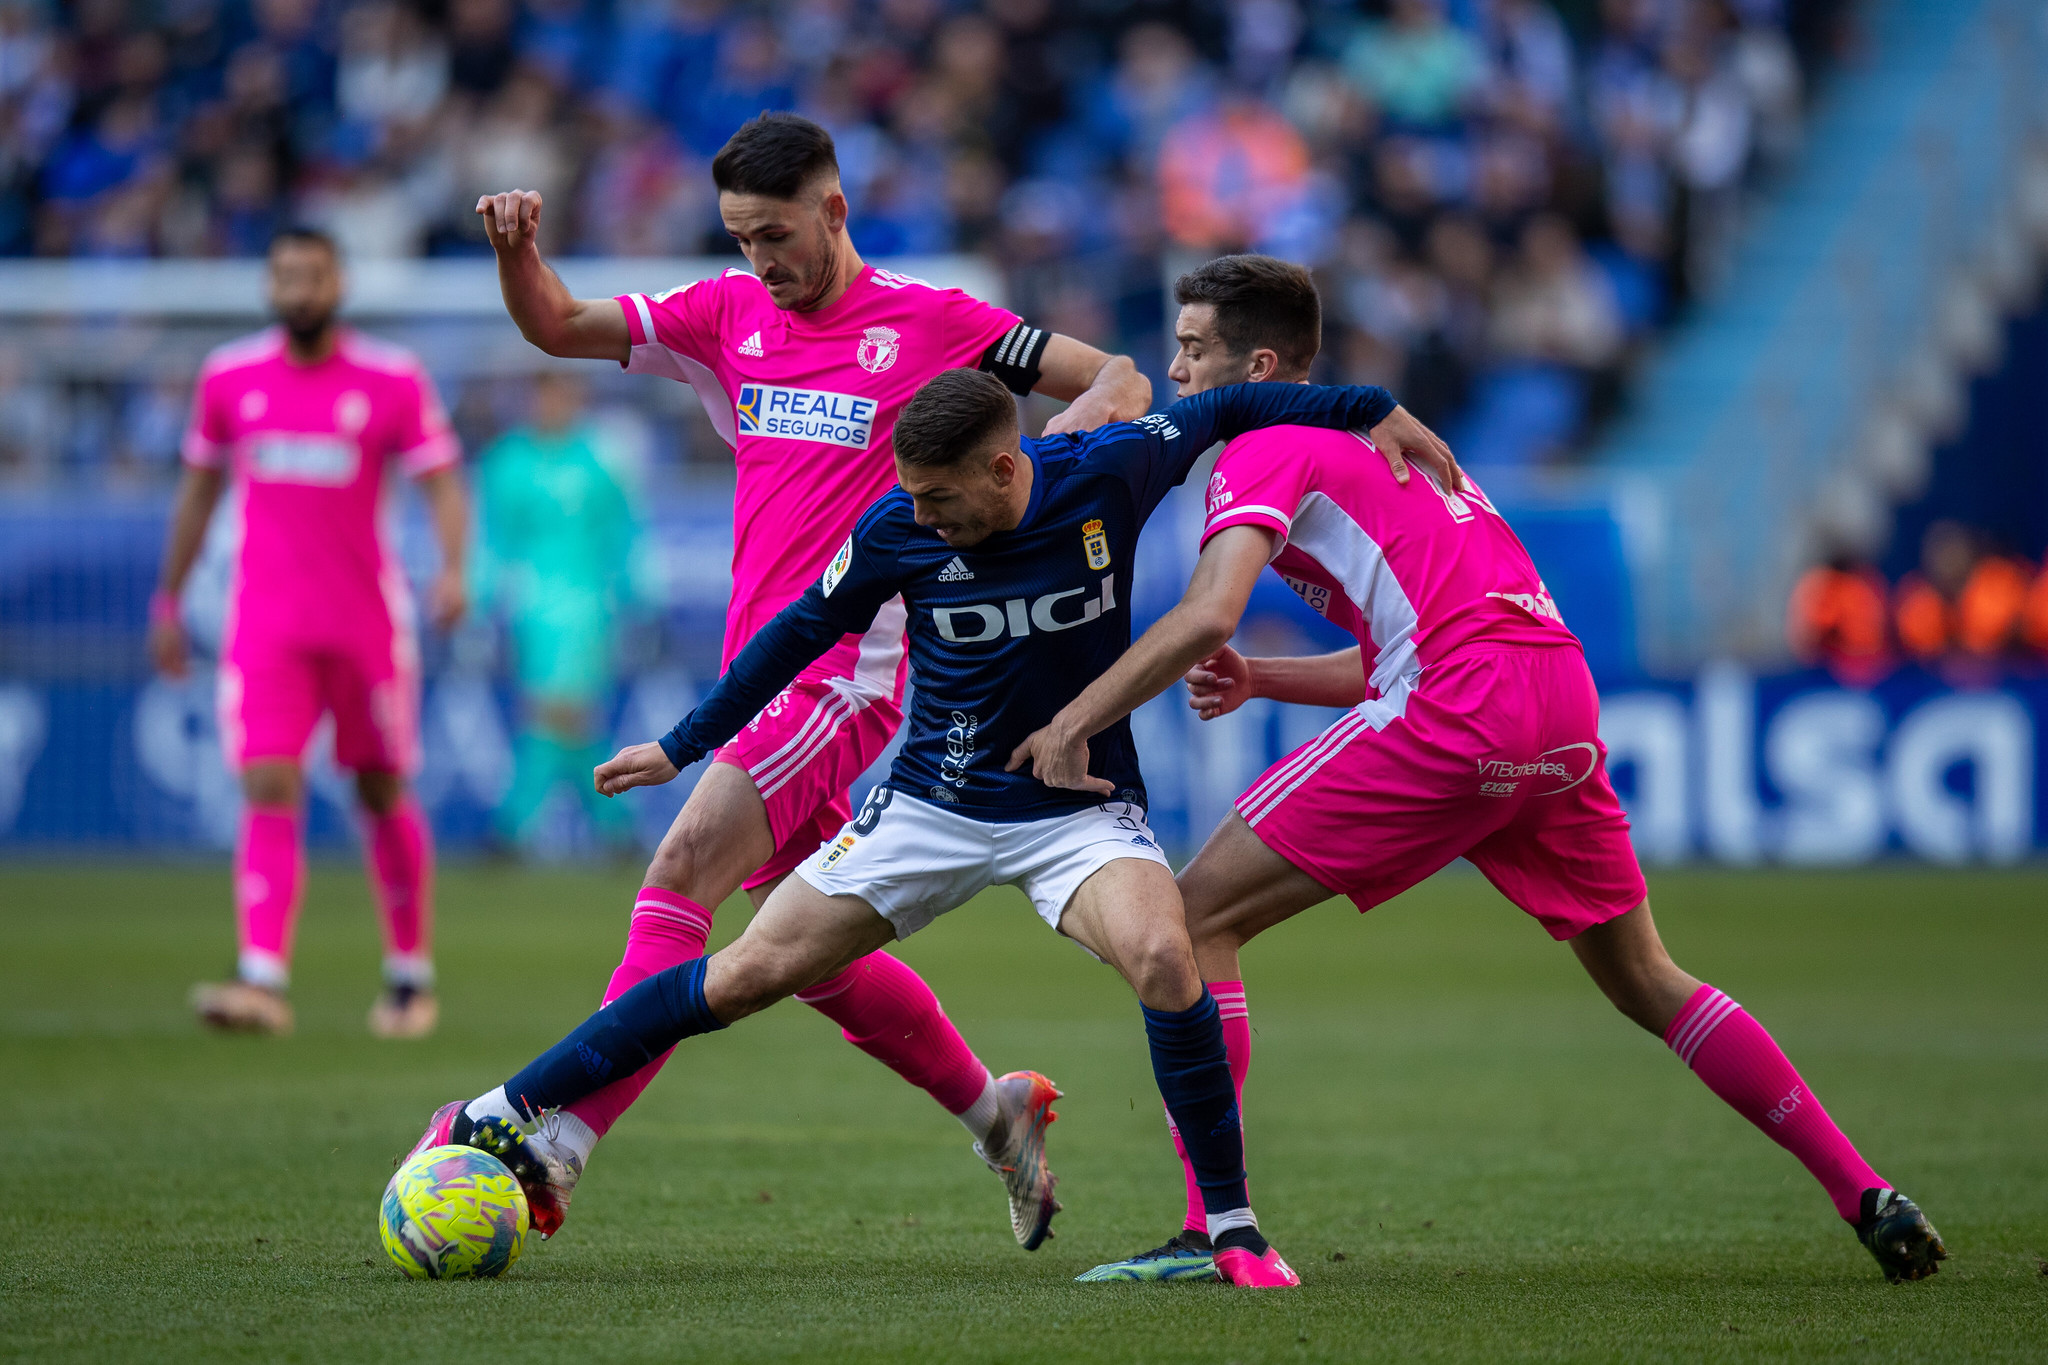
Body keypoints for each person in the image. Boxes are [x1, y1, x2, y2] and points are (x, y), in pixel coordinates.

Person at [1005, 255, 1946, 1286]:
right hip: (1556, 700)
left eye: (1191, 350)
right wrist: (1264, 678)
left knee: (1187, 925)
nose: (1177, 372)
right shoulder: (1389, 453)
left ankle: (1211, 1230)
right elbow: (1402, 639)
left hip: (1458, 706)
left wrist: (1076, 720)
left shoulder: (1264, 446)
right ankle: (1865, 1192)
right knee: (1645, 978)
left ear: (1259, 362)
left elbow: (1205, 613)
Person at [407, 366, 1453, 1281]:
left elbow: (1231, 402)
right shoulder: (894, 527)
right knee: (744, 974)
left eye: (942, 499)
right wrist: (682, 745)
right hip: (929, 808)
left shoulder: (1109, 472)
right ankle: (507, 1105)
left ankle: (1229, 1228)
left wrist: (1374, 410)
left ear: (1006, 469)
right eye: (912, 499)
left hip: (1075, 815)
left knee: (1163, 954)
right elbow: (796, 634)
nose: (923, 519)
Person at [462, 109, 1166, 1242]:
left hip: (848, 674)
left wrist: (1032, 473)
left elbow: (1122, 379)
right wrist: (514, 253)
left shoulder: (933, 322)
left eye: (775, 234)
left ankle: (558, 1136)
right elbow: (554, 324)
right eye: (740, 237)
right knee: (810, 949)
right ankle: (996, 1112)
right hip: (765, 662)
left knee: (684, 864)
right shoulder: (725, 314)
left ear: (834, 212)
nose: (760, 261)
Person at [153, 227, 469, 1040]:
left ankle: (409, 975)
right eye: (285, 276)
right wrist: (169, 598)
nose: (298, 291)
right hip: (266, 624)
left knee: (377, 788)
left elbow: (441, 483)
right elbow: (197, 493)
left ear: (338, 284)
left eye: (312, 276)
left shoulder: (391, 378)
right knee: (267, 779)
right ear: (269, 285)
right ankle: (262, 974)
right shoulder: (229, 377)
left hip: (365, 622)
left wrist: (453, 569)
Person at [474, 368, 639, 854]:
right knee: (564, 718)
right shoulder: (508, 462)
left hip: (587, 604)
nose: (553, 407)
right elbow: (491, 540)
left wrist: (637, 597)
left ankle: (512, 828)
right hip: (531, 604)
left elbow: (624, 535)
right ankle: (614, 825)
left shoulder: (601, 462)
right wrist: (481, 604)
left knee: (560, 713)